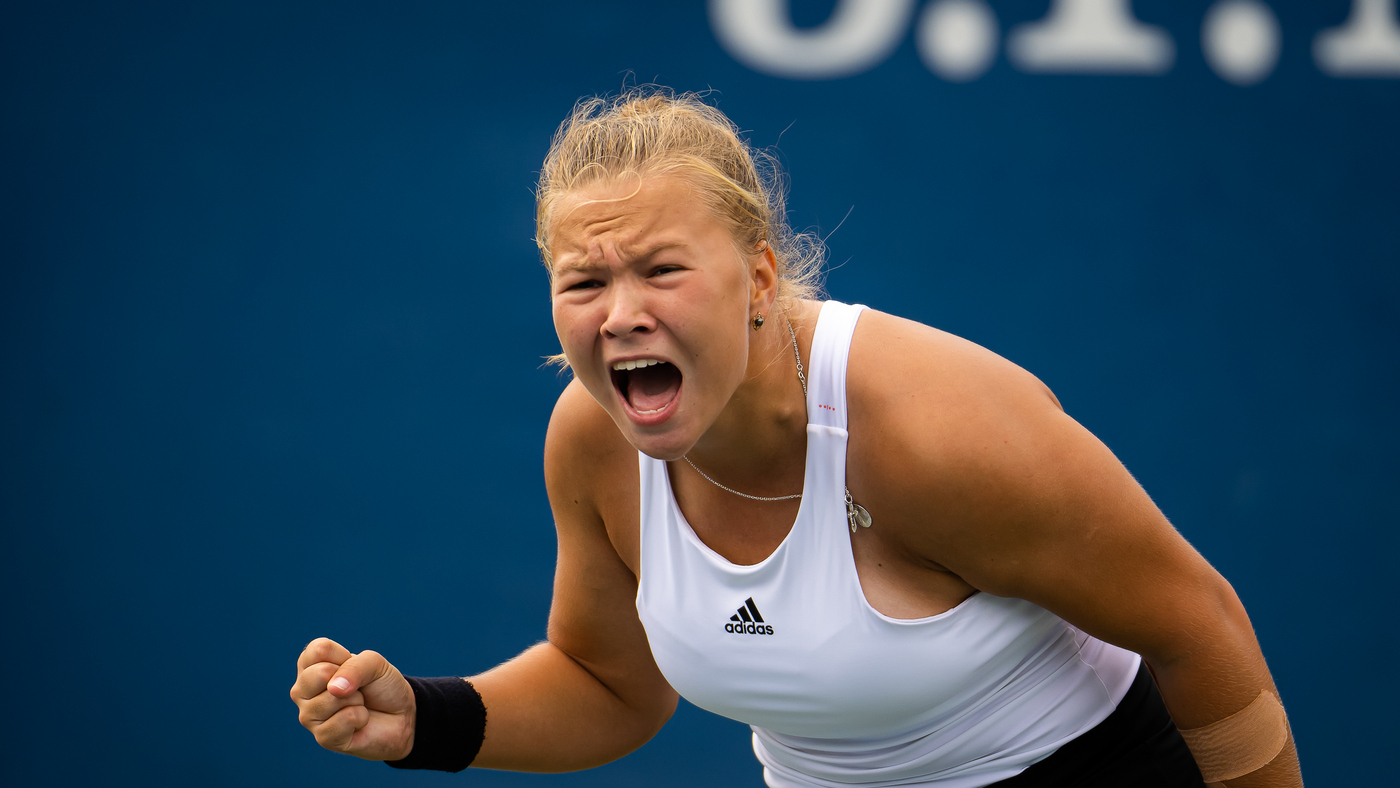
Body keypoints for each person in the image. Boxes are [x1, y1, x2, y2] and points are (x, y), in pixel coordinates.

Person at [290, 89, 1302, 787]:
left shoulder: (931, 433)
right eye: (585, 282)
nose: (622, 314)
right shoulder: (592, 443)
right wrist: (424, 719)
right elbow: (609, 684)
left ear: (760, 279)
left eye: (662, 270)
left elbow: (1196, 625)